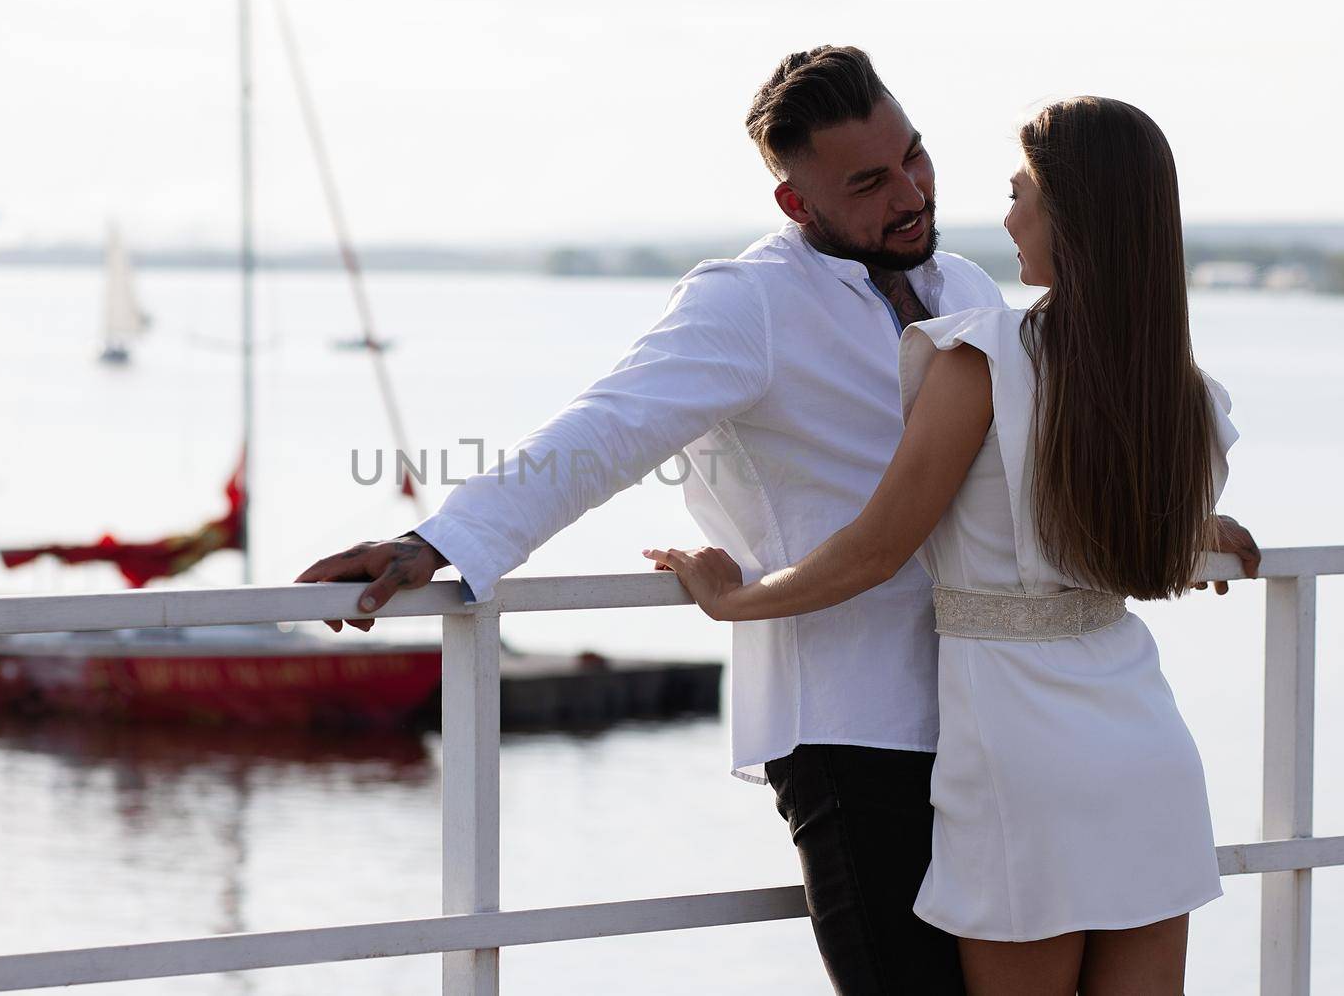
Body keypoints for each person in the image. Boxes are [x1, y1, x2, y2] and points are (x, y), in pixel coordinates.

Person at [296, 48, 1259, 994]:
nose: (912, 193)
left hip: (994, 719)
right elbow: (607, 427)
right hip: (851, 732)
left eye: (915, 156)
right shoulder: (747, 303)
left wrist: (1178, 520)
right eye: (870, 181)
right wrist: (442, 540)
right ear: (797, 204)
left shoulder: (967, 292)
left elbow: (1044, 449)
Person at [646, 96, 1260, 995]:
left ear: (1074, 214)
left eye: (1022, 195)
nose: (1006, 217)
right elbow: (1094, 519)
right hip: (1145, 739)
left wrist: (736, 597)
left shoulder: (982, 356)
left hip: (1023, 757)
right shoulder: (1180, 390)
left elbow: (875, 549)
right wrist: (1191, 529)